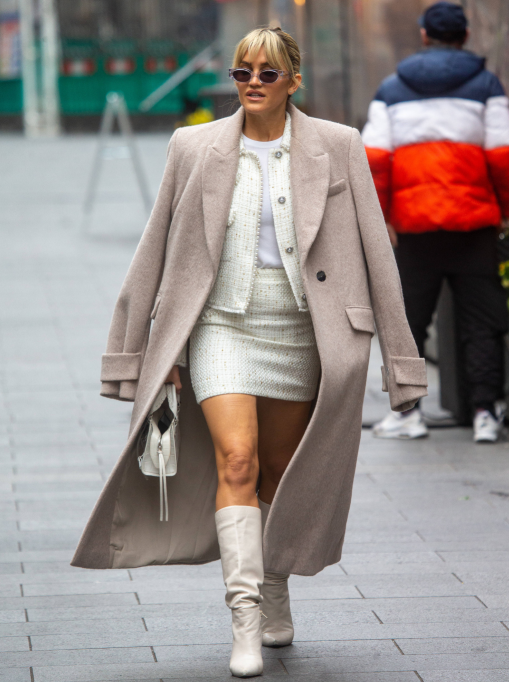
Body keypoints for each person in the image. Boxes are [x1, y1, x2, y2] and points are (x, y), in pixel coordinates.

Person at [71, 28, 426, 678]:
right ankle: (243, 621)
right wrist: (130, 354)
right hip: (220, 327)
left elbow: (377, 254)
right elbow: (153, 249)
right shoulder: (193, 145)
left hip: (301, 331)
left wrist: (401, 365)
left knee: (276, 473)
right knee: (236, 460)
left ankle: (273, 585)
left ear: (293, 80)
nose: (253, 82)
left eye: (267, 72)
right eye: (241, 72)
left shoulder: (337, 146)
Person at [363, 1, 509, 443]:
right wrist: (503, 209)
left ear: (424, 35)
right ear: (466, 36)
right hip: (474, 224)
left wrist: (383, 218)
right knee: (482, 320)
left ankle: (409, 414)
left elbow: (374, 161)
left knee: (407, 322)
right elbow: (502, 157)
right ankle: (486, 412)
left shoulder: (391, 89)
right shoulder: (487, 86)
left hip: (414, 227)